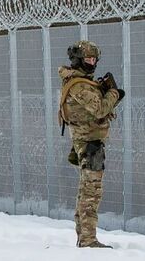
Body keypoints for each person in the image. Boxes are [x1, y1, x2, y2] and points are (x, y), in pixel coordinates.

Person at [58, 40, 125, 248]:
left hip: (88, 141)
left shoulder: (80, 81)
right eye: (87, 58)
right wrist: (114, 93)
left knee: (86, 189)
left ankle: (84, 236)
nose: (92, 62)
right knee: (91, 192)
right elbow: (99, 110)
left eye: (94, 59)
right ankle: (88, 239)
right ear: (78, 59)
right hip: (89, 143)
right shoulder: (78, 85)